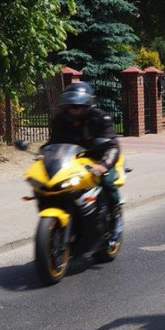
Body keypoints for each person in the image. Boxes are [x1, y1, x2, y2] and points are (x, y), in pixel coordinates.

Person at [48, 81, 122, 240]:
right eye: (70, 105)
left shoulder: (100, 118)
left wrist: (104, 164)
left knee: (107, 182)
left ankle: (115, 215)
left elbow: (112, 145)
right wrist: (44, 156)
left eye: (78, 105)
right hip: (72, 161)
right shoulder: (60, 120)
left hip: (98, 159)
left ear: (87, 104)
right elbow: (53, 142)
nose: (74, 109)